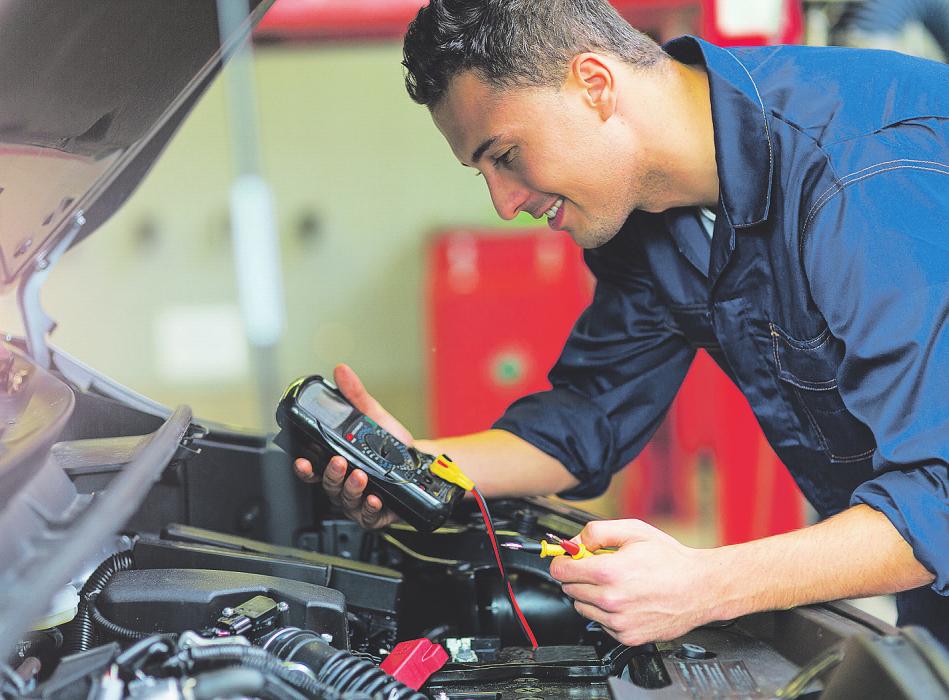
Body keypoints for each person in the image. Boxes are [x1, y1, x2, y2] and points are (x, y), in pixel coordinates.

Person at [294, 0, 949, 647]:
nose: (503, 203)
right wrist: (413, 466)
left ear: (594, 85)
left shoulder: (860, 176)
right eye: (482, 172)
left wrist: (702, 584)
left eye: (507, 155)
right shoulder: (648, 211)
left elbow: (940, 499)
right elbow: (588, 418)